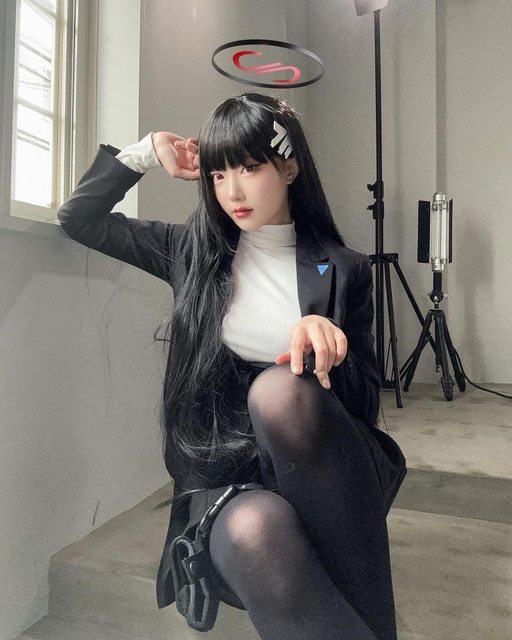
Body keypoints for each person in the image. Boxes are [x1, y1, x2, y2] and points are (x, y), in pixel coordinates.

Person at [57, 92, 407, 640]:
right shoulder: (191, 252)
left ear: (288, 167)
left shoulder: (343, 269)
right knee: (254, 528)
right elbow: (79, 218)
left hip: (320, 470)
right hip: (225, 477)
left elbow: (362, 406)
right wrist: (148, 152)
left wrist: (328, 349)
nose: (232, 192)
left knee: (281, 391)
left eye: (248, 167)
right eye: (218, 175)